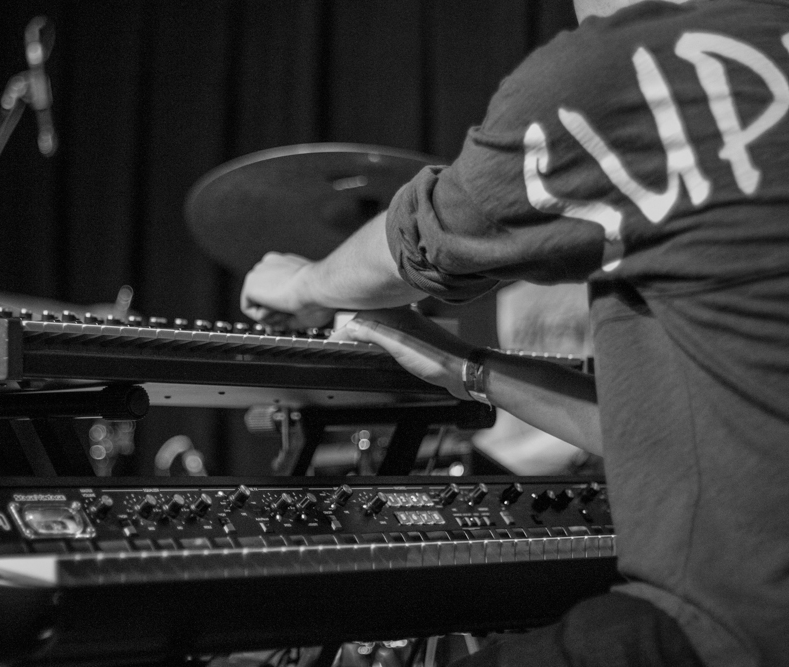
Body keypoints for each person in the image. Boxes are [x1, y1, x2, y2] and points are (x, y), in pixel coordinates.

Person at [240, 0, 789, 665]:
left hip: (731, 631)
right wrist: (467, 368)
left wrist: (303, 284)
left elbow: (423, 242)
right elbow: (666, 430)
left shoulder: (636, 67)